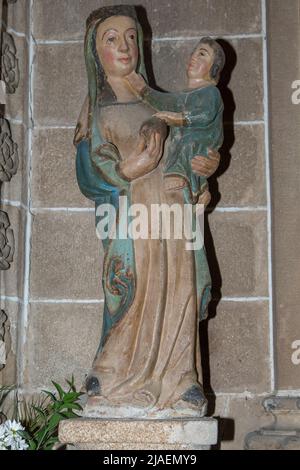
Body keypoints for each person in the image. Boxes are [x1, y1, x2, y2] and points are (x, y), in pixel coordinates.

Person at [75, 5, 220, 418]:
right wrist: (126, 170)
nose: (124, 46)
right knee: (133, 290)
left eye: (131, 36)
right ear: (94, 51)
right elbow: (87, 173)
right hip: (131, 216)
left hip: (175, 212)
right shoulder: (95, 108)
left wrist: (203, 175)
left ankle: (180, 381)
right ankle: (112, 377)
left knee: (181, 289)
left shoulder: (164, 102)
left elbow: (189, 150)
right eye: (111, 39)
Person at [125, 37, 225, 204]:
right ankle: (199, 189)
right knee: (180, 144)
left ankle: (181, 178)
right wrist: (142, 90)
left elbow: (205, 115)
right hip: (188, 144)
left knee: (186, 146)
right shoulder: (184, 96)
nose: (193, 57)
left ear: (214, 68)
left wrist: (178, 119)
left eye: (202, 54)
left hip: (200, 141)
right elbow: (164, 101)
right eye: (194, 52)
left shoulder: (210, 92)